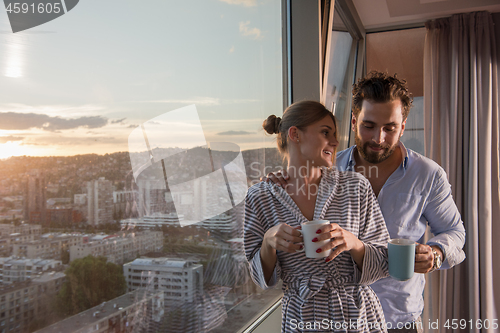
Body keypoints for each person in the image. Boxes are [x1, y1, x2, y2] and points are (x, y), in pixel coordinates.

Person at [265, 72, 466, 333]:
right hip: (336, 323)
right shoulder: (325, 167)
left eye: (389, 128)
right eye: (368, 125)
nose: (378, 139)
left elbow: (455, 232)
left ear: (403, 127)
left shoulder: (428, 175)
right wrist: (279, 182)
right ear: (353, 122)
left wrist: (436, 254)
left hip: (398, 322)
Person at [244, 101, 391, 333]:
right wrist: (268, 241)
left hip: (357, 317)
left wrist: (353, 243)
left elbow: (384, 261)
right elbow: (258, 277)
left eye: (335, 135)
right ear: (295, 134)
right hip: (302, 319)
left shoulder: (356, 187)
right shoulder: (260, 196)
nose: (335, 142)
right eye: (325, 132)